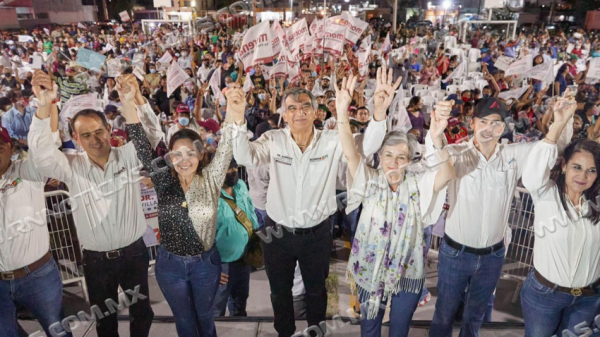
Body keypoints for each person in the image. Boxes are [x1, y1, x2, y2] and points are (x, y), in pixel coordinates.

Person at [230, 64, 398, 337]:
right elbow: (244, 157)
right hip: (277, 234)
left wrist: (379, 112)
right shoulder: (272, 139)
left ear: (316, 112)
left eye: (305, 106)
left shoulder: (332, 141)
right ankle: (284, 333)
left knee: (317, 292)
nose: (299, 113)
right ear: (283, 113)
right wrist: (237, 120)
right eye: (292, 108)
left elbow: (366, 148)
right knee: (279, 293)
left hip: (317, 234)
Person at [428, 95, 573, 337]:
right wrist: (435, 136)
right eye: (483, 121)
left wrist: (559, 122)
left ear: (504, 128)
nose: (489, 128)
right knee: (444, 312)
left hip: (492, 256)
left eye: (496, 123)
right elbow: (434, 159)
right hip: (455, 254)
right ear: (472, 123)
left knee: (474, 316)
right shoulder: (456, 152)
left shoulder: (514, 154)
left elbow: (548, 150)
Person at [28, 71, 160, 337]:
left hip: (134, 253)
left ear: (109, 130)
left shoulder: (127, 157)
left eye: (99, 131)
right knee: (105, 320)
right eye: (85, 134)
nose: (94, 139)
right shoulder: (70, 167)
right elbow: (41, 156)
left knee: (142, 313)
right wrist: (44, 105)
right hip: (97, 261)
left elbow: (153, 136)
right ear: (76, 139)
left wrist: (136, 101)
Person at [125, 78, 245, 336]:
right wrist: (127, 102)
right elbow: (141, 146)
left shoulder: (211, 179)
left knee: (205, 317)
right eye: (177, 154)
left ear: (201, 155)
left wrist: (235, 110)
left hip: (205, 265)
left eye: (191, 153)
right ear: (169, 157)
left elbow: (226, 145)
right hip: (170, 267)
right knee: (184, 320)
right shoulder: (162, 179)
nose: (184, 160)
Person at [337, 73, 455, 337]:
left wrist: (437, 136)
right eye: (388, 155)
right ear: (380, 156)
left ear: (410, 159)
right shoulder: (368, 180)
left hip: (408, 273)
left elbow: (446, 174)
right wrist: (341, 110)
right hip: (370, 272)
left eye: (401, 157)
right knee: (369, 329)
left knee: (399, 330)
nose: (394, 162)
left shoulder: (417, 183)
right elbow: (349, 152)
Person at [519, 97, 600, 337]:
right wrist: (557, 124)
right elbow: (532, 173)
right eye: (577, 167)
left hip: (588, 299)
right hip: (544, 296)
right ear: (563, 166)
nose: (583, 175)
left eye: (591, 170)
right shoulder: (545, 193)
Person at [0, 124, 72, 337]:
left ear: (11, 148)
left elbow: (45, 150)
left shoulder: (28, 169)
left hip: (38, 276)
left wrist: (44, 106)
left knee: (58, 330)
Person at [212, 159, 259, 317]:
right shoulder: (209, 197)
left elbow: (250, 210)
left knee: (240, 304)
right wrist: (211, 268)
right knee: (216, 309)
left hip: (244, 260)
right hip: (221, 265)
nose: (232, 172)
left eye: (234, 167)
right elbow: (201, 238)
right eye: (227, 169)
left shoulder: (241, 186)